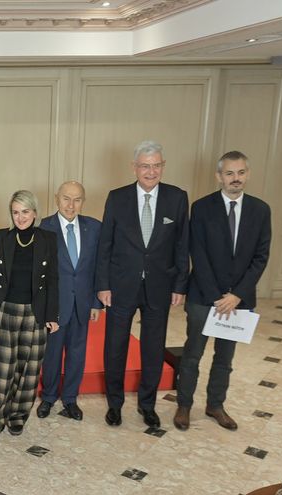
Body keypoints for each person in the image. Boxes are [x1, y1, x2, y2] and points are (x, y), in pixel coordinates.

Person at [173, 151, 271, 431]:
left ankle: (215, 405)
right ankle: (184, 405)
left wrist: (237, 295)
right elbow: (198, 253)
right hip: (204, 297)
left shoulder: (261, 210)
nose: (235, 178)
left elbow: (261, 256)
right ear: (219, 176)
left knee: (225, 358)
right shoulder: (202, 208)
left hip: (239, 300)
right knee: (192, 355)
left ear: (247, 174)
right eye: (229, 173)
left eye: (240, 172)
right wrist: (218, 296)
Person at [95, 141, 189, 429]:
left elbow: (182, 244)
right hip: (121, 285)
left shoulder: (177, 198)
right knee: (115, 347)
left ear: (163, 166)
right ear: (134, 167)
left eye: (156, 165)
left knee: (153, 349)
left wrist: (180, 285)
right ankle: (115, 404)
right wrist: (103, 285)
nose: (151, 171)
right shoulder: (117, 198)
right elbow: (105, 245)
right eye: (145, 166)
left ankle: (147, 405)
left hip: (160, 287)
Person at [0, 190, 59, 443]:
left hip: (35, 314)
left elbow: (53, 280)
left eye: (25, 211)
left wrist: (52, 315)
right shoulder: (2, 237)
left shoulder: (48, 239)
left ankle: (17, 416)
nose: (21, 217)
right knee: (0, 371)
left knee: (28, 372)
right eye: (16, 212)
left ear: (34, 213)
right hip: (5, 310)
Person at [37, 181, 103, 421]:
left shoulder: (94, 227)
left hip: (83, 303)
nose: (71, 205)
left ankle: (70, 399)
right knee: (52, 355)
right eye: (66, 198)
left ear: (83, 201)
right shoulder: (44, 227)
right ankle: (48, 397)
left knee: (77, 354)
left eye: (77, 199)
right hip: (55, 306)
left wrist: (96, 303)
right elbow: (40, 274)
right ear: (57, 198)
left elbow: (99, 267)